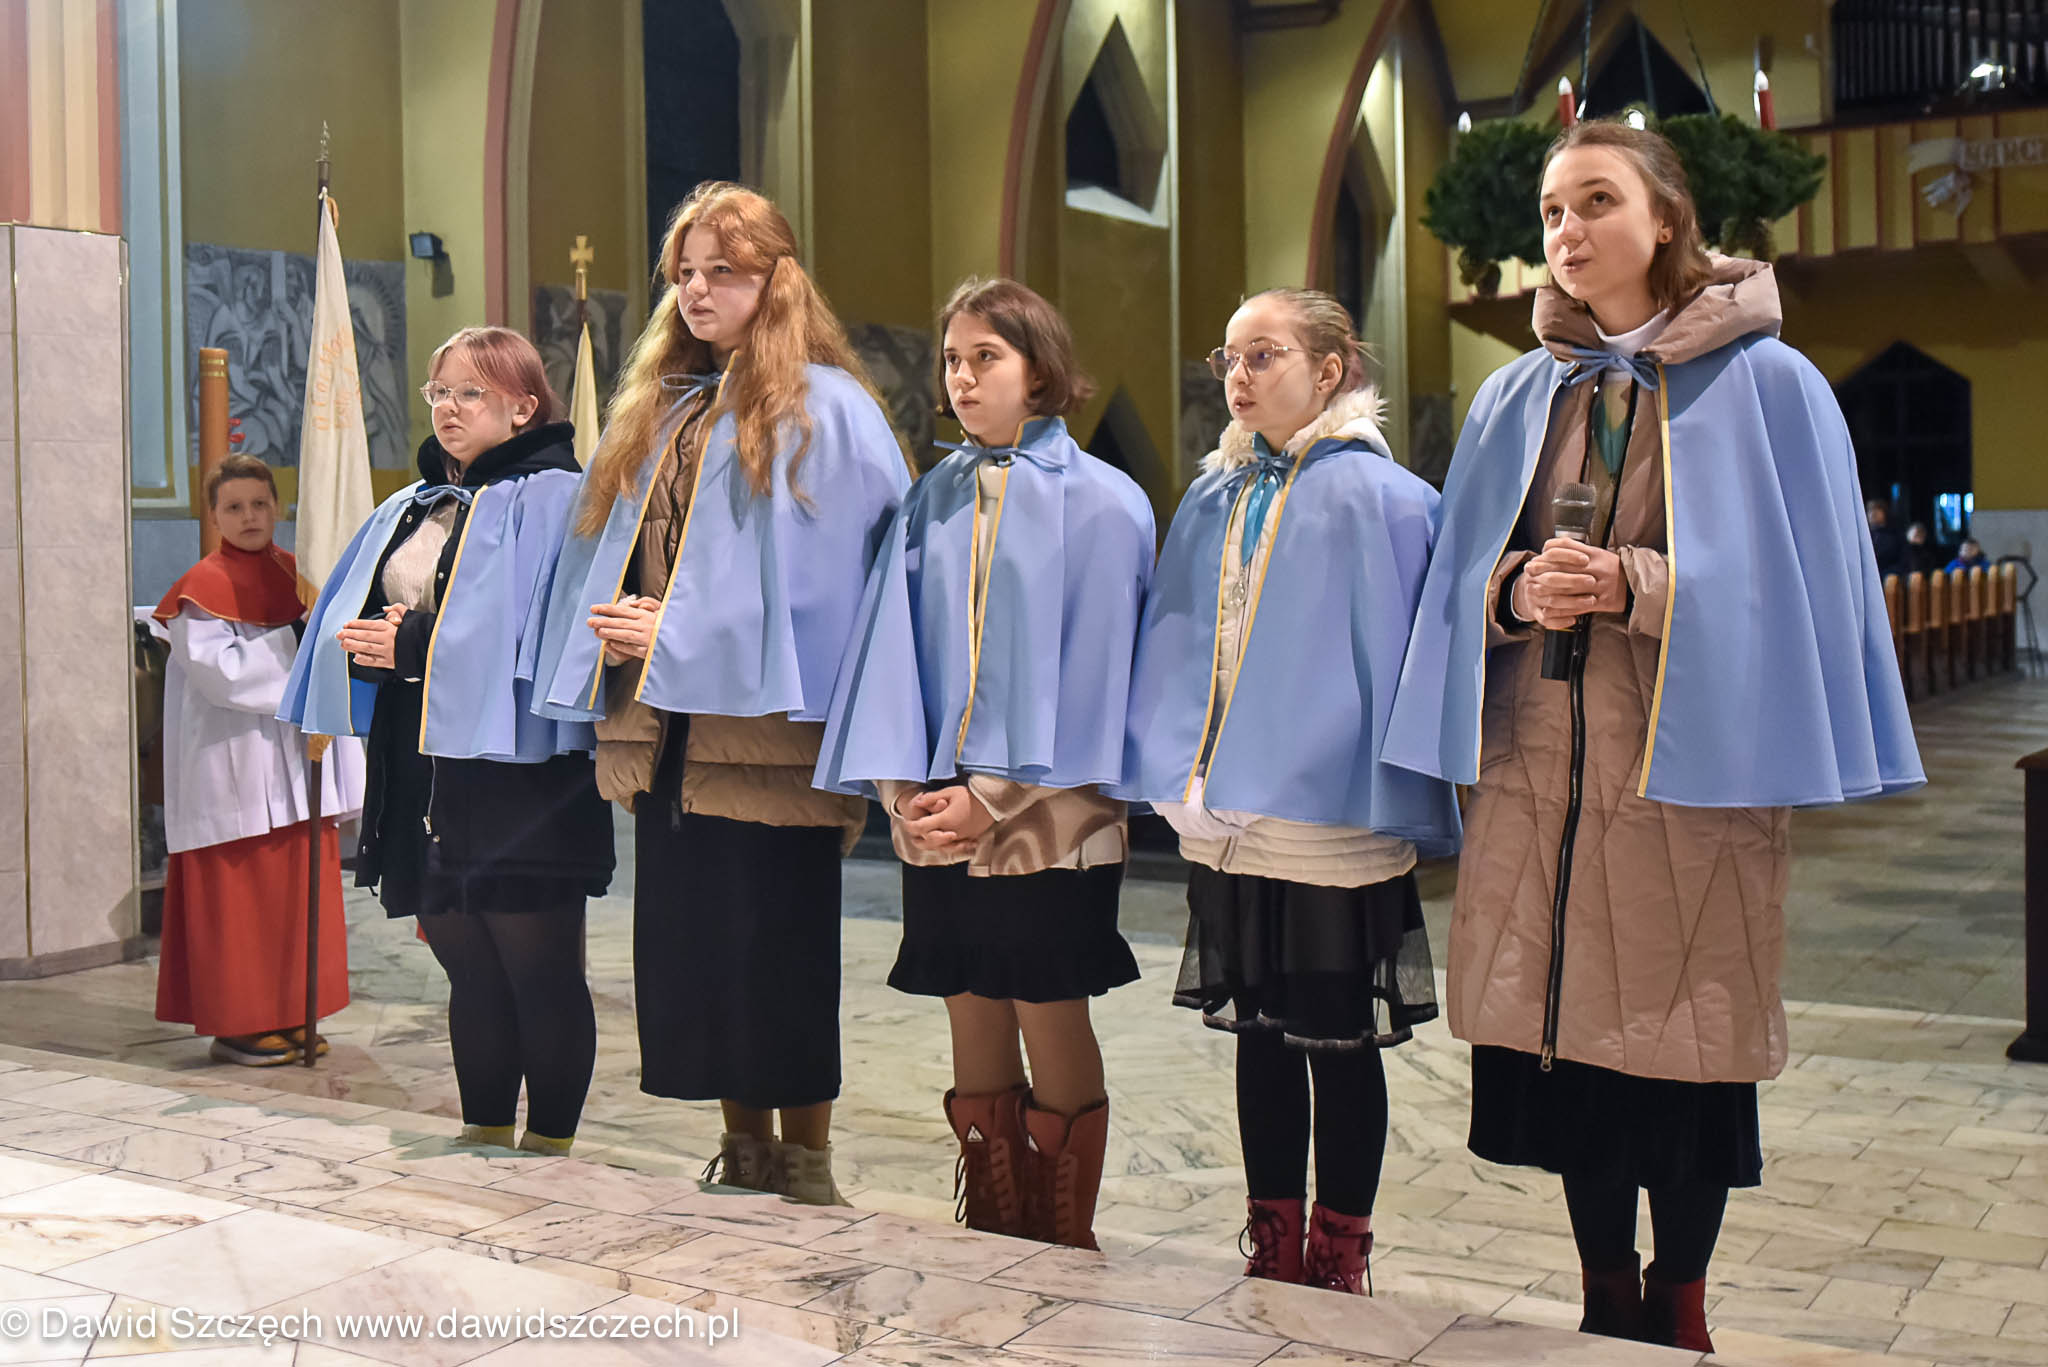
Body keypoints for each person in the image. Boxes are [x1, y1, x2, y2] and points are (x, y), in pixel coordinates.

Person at [1385, 120, 1922, 1351]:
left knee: (1678, 1057)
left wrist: (1635, 584)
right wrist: (1514, 590)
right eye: (1549, 212)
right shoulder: (1519, 393)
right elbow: (1455, 579)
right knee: (1568, 1053)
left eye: (1594, 202)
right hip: (1539, 775)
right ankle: (1599, 1291)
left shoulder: (1767, 384)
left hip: (1686, 776)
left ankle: (1676, 1298)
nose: (1565, 232)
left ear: (1664, 218)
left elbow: (1806, 596)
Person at [532, 182, 910, 1205]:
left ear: (775, 280)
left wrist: (678, 632)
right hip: (671, 735)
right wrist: (615, 622)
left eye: (723, 272)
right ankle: (743, 1148)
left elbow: (835, 590)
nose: (697, 291)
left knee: (782, 956)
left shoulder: (827, 410)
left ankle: (808, 1159)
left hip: (772, 741)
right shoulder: (666, 409)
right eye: (685, 274)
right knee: (700, 958)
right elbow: (629, 552)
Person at [1118, 288, 1460, 1295]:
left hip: (1328, 819)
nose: (1237, 375)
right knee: (1257, 1035)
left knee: (1338, 1039)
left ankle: (1340, 1248)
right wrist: (1175, 765)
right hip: (1225, 814)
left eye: (1262, 354)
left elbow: (1401, 659)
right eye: (1227, 357)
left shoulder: (1388, 498)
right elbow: (1181, 640)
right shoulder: (1210, 495)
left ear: (1329, 369)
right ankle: (1271, 1236)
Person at [816, 278, 1151, 1248]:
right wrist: (903, 792)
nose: (961, 378)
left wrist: (993, 797)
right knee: (969, 1006)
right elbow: (887, 649)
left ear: (1038, 370)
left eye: (985, 358)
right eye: (952, 360)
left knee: (1047, 1005)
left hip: (1052, 817)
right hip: (938, 811)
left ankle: (1060, 1232)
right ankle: (996, 1224)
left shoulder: (1105, 504)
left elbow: (1098, 674)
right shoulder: (929, 499)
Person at [281, 326, 614, 1156]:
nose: (449, 408)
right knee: (468, 962)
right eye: (440, 392)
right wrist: (367, 638)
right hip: (422, 757)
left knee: (538, 965)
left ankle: (551, 1148)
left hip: (519, 768)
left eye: (471, 393)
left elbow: (545, 632)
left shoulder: (557, 498)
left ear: (523, 407)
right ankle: (484, 1131)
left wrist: (413, 641)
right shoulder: (417, 502)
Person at [153, 455, 363, 1066]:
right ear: (213, 515)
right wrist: (299, 638)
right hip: (233, 767)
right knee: (241, 903)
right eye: (234, 507)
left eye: (260, 504)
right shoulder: (199, 590)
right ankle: (240, 1024)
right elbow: (226, 677)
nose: (249, 516)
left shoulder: (302, 577)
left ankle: (294, 1010)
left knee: (295, 897)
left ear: (278, 508)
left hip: (295, 766)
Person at [1867, 500, 1904, 579]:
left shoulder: (1895, 535)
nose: (1873, 513)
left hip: (1890, 575)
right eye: (1870, 510)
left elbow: (1903, 560)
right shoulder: (1864, 536)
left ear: (1885, 513)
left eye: (1877, 509)